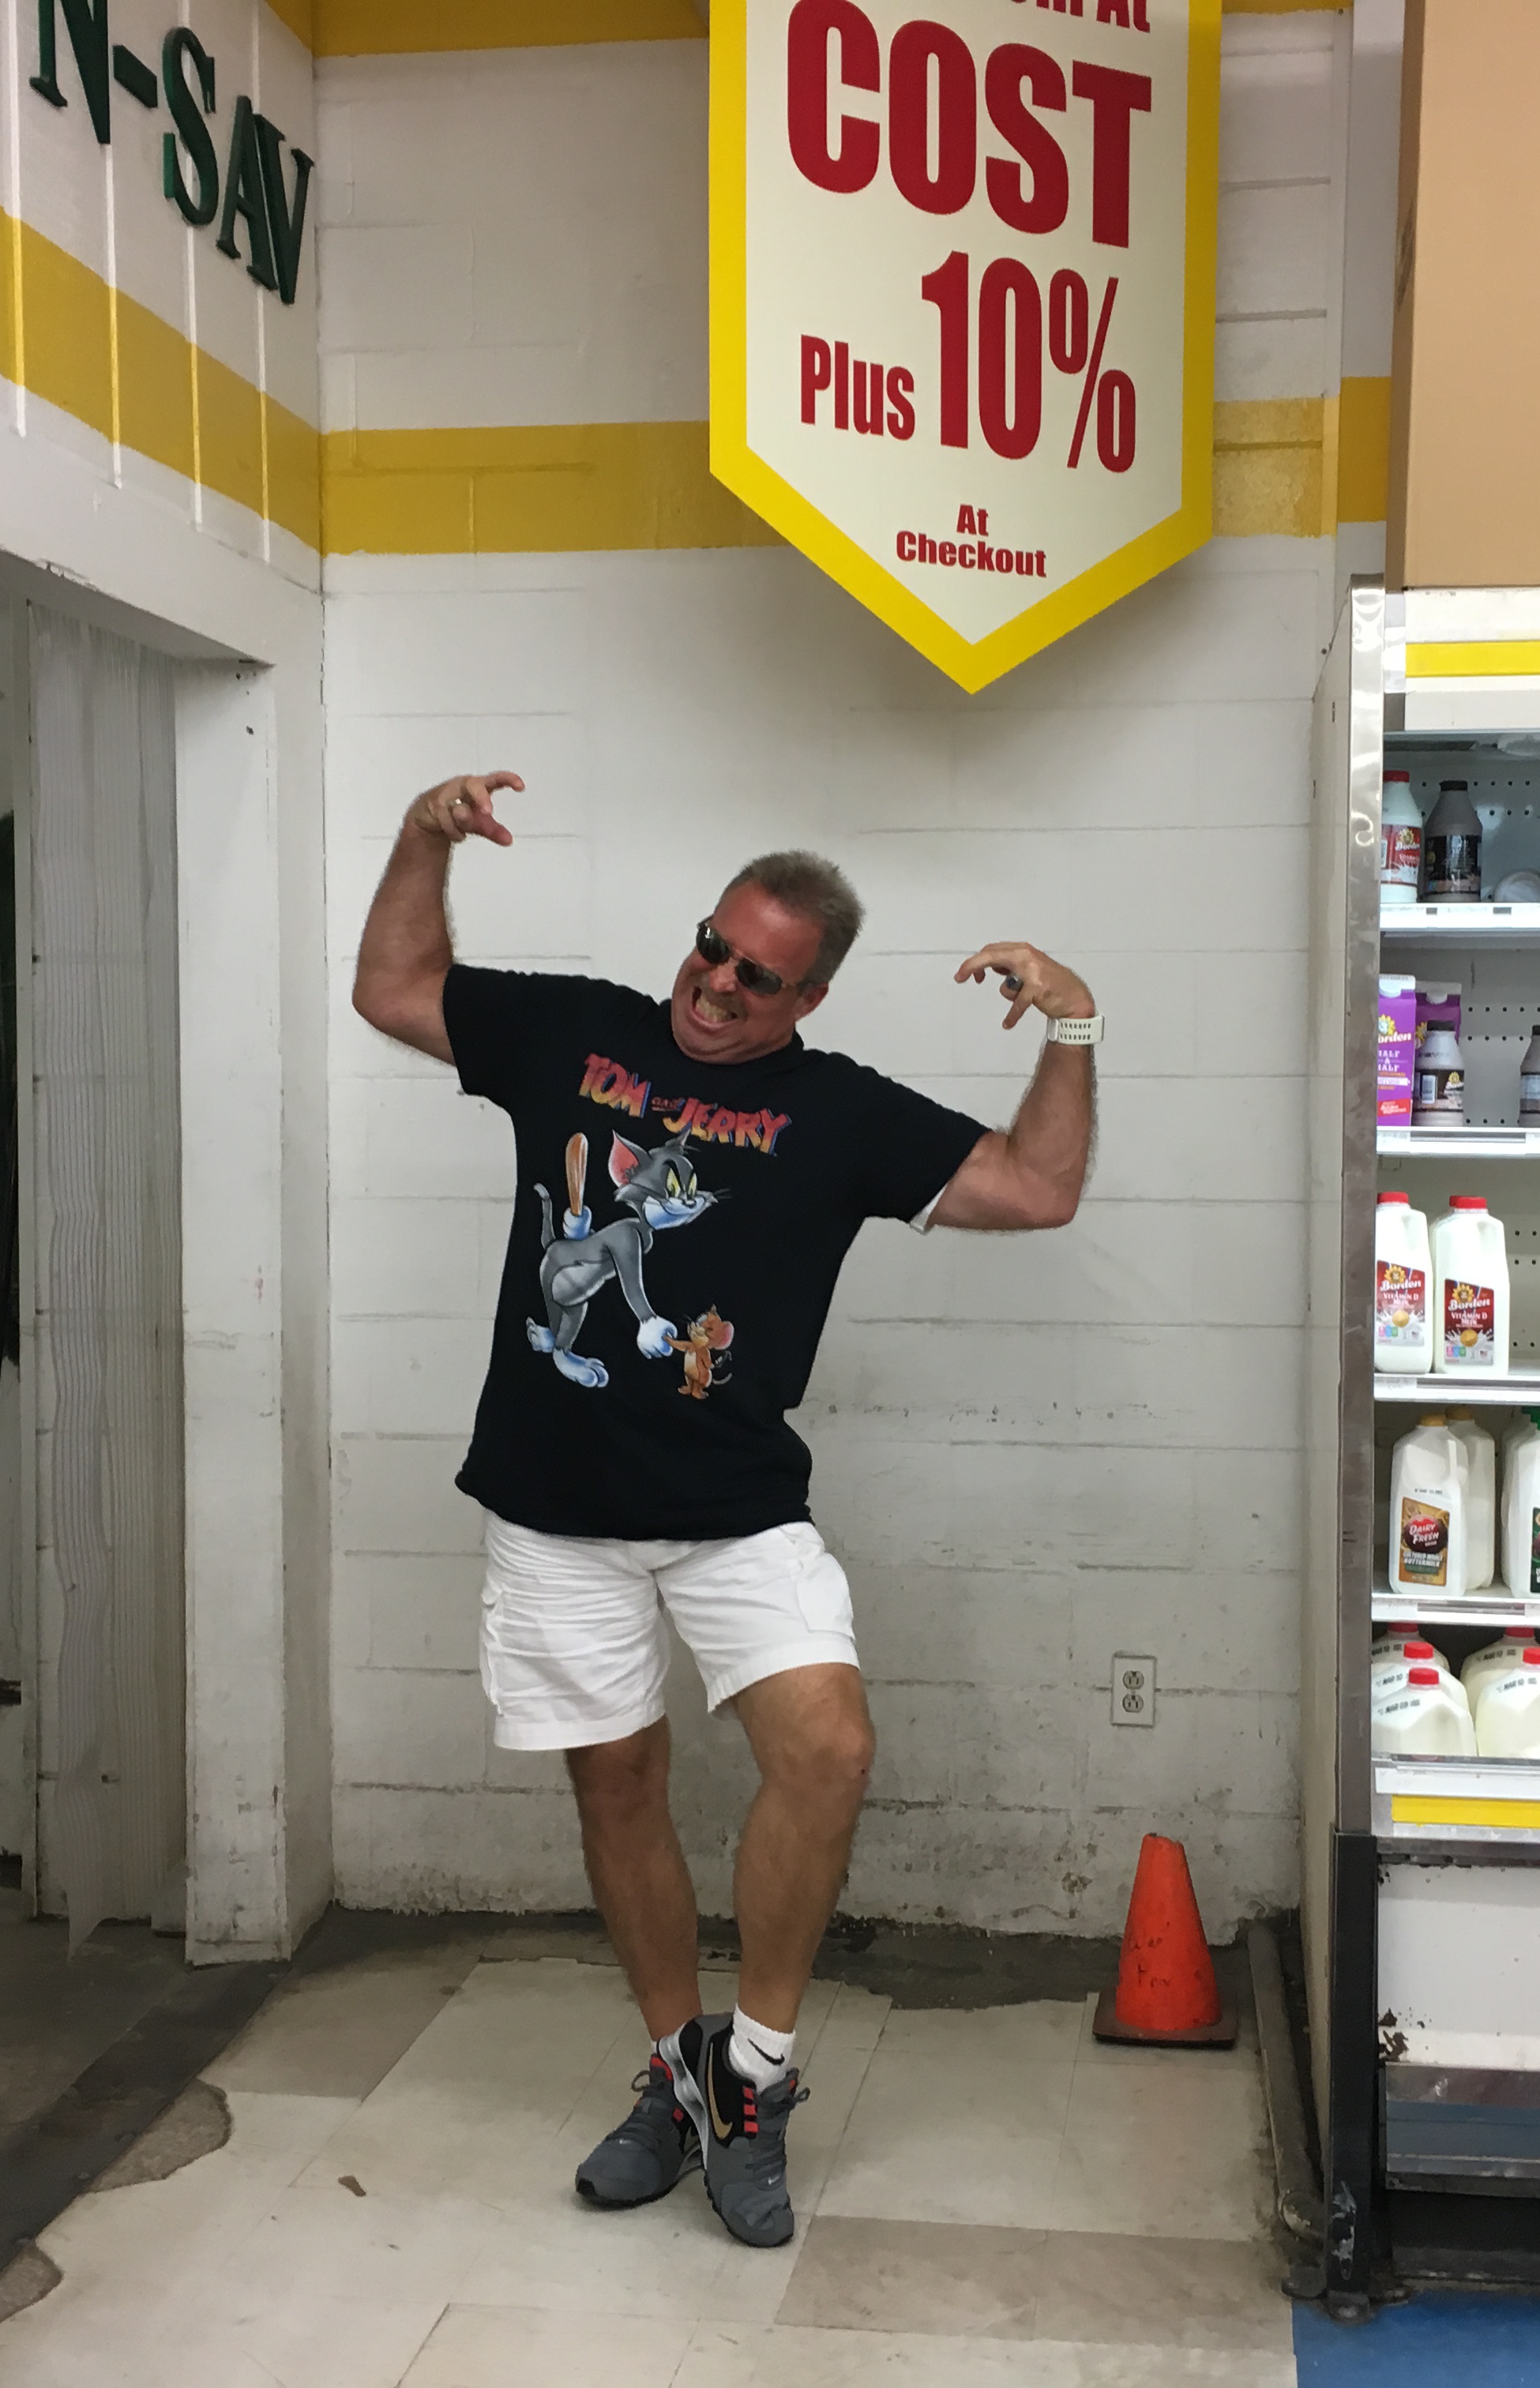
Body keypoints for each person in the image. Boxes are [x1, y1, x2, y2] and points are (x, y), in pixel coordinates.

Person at [350, 771, 1099, 2248]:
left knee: (829, 1749)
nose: (716, 984)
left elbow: (1036, 1188)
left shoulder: (839, 1111)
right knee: (615, 1785)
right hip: (554, 1507)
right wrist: (425, 837)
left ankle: (753, 2076)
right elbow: (394, 987)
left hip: (737, 1509)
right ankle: (675, 2078)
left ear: (808, 997)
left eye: (758, 977)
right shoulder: (578, 1033)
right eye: (711, 947)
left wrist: (1072, 1027)